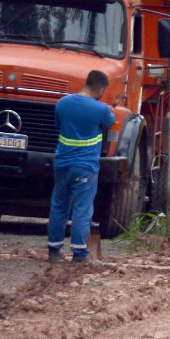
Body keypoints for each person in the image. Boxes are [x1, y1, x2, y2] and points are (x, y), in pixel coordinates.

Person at [47, 70, 115, 263]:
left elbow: (59, 126)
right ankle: (79, 253)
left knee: (59, 206)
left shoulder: (62, 103)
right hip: (85, 167)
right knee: (82, 210)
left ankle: (54, 250)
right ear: (101, 89)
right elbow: (109, 122)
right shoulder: (101, 109)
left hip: (62, 164)